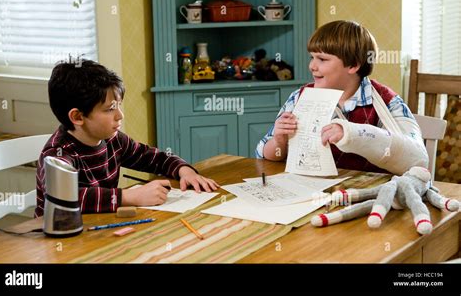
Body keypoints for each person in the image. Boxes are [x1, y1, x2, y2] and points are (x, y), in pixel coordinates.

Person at [34, 59, 218, 217]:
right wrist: (130, 197)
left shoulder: (113, 140)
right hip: (57, 243)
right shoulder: (56, 155)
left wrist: (184, 170)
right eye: (109, 109)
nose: (120, 115)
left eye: (118, 106)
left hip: (99, 230)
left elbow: (152, 158)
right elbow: (66, 198)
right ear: (77, 117)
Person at [255, 20, 428, 175]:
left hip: (369, 198)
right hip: (312, 196)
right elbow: (266, 155)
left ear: (353, 65)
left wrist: (353, 134)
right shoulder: (299, 98)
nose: (312, 66)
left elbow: (418, 160)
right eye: (312, 57)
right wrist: (279, 141)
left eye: (322, 59)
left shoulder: (387, 101)